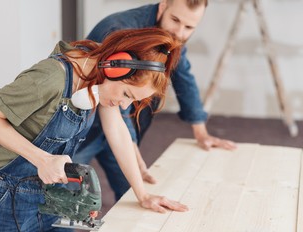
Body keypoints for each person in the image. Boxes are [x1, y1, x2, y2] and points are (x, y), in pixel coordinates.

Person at [0, 27, 188, 232]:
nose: (124, 105)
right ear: (115, 66)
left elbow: (117, 131)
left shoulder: (98, 79)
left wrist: (142, 194)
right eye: (127, 94)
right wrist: (42, 158)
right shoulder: (51, 77)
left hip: (51, 193)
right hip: (2, 196)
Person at [74, 0, 237, 201]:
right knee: (61, 199)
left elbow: (183, 75)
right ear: (163, 7)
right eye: (175, 20)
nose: (179, 32)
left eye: (189, 27)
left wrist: (200, 131)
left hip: (116, 123)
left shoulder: (171, 37)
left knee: (131, 194)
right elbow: (118, 96)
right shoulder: (119, 31)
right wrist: (132, 147)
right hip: (83, 124)